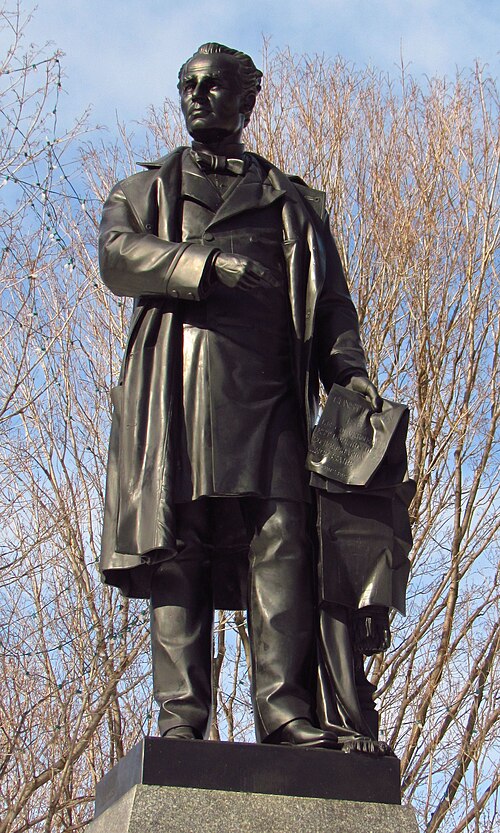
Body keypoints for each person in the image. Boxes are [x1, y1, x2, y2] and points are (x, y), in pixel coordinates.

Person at [98, 42, 383, 748]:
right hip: (180, 394)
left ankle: (284, 713)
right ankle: (180, 718)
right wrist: (202, 263)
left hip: (271, 399)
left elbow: (333, 306)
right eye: (187, 85)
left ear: (248, 98)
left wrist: (351, 379)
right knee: (179, 545)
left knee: (281, 542)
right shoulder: (146, 189)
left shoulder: (290, 200)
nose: (197, 96)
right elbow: (116, 255)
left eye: (213, 85)